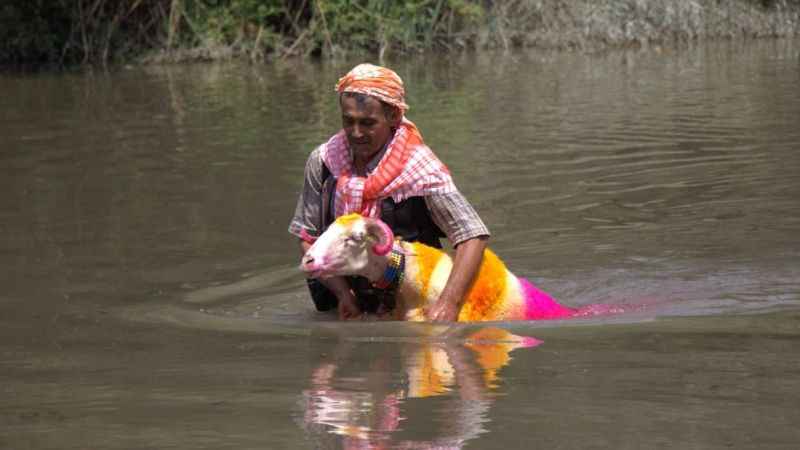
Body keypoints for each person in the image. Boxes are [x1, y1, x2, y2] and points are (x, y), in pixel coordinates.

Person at [288, 63, 489, 322]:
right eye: (348, 121)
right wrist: (343, 295)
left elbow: (473, 236)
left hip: (411, 303)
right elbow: (308, 236)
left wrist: (448, 303)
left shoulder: (420, 168)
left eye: (368, 123)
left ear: (394, 116)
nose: (356, 133)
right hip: (343, 299)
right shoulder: (324, 162)